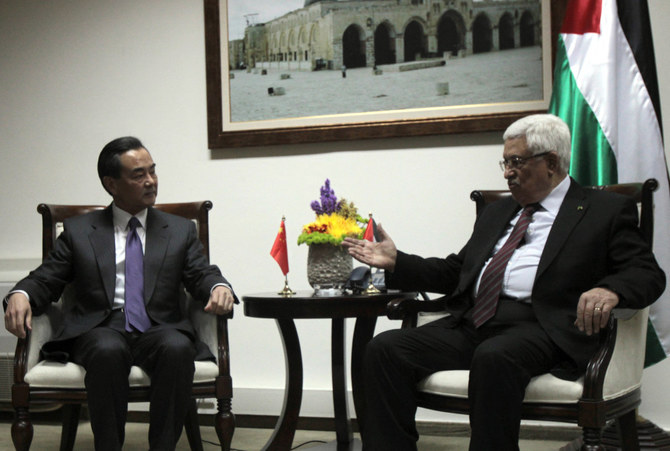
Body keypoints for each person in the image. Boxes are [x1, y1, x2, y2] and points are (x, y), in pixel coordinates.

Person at [342, 114, 665, 451]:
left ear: (551, 162)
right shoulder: (499, 212)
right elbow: (456, 273)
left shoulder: (605, 211)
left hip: (542, 328)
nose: (507, 172)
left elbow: (647, 273)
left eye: (516, 162)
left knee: (494, 356)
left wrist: (609, 289)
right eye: (505, 162)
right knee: (385, 349)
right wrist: (397, 262)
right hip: (475, 323)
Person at [3, 137, 237, 451]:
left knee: (178, 348)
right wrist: (20, 294)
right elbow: (47, 279)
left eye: (153, 171)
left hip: (159, 328)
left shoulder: (179, 230)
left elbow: (200, 273)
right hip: (101, 327)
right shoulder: (79, 231)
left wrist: (219, 286)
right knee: (106, 349)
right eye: (139, 175)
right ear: (111, 184)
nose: (151, 181)